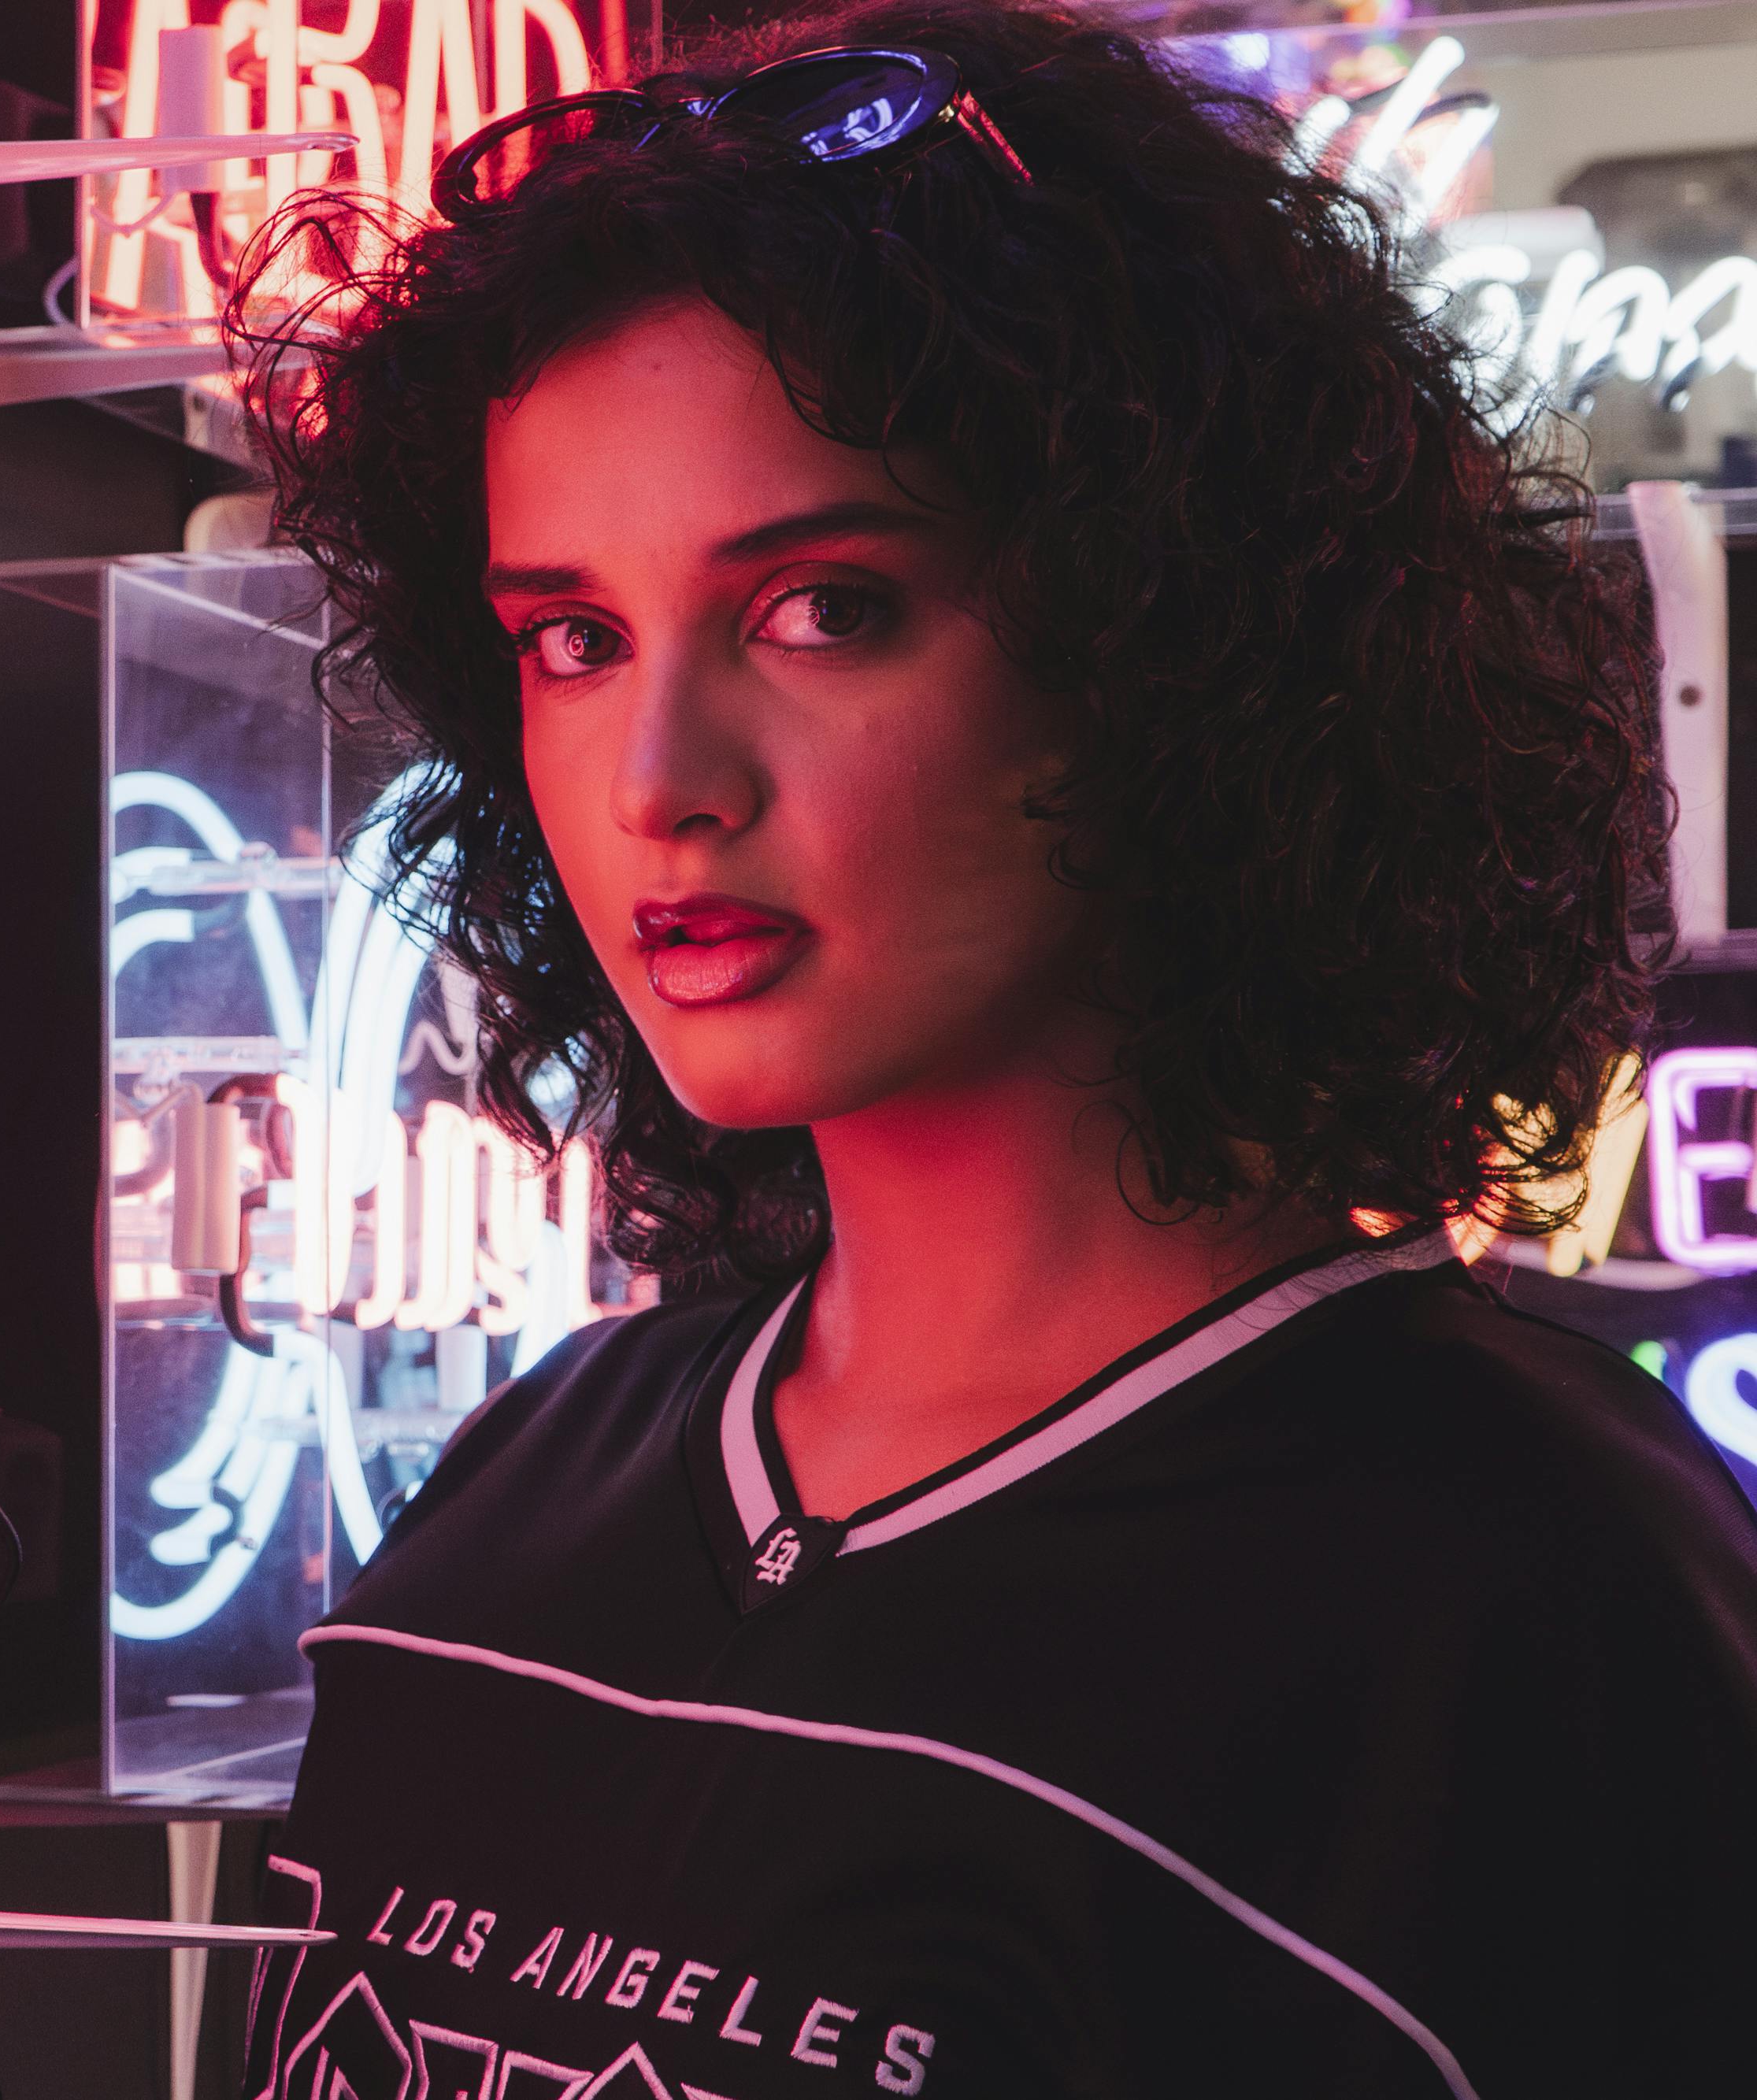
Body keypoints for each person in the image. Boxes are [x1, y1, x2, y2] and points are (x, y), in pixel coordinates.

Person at [228, 3, 1757, 2094]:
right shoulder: (513, 1501)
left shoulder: (1538, 1606)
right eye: (571, 639)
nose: (658, 778)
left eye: (820, 606)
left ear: (1158, 648)